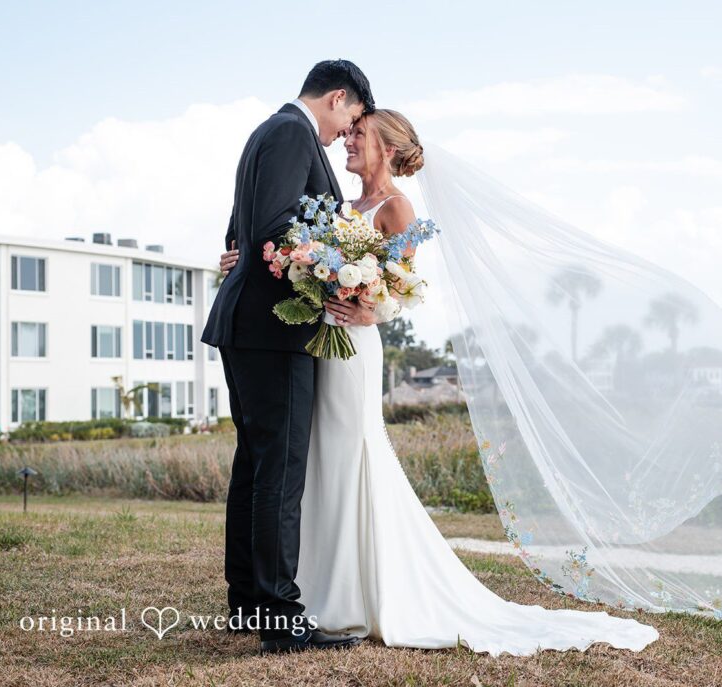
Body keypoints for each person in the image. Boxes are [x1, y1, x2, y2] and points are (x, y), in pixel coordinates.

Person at [216, 108, 661, 656]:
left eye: (360, 135)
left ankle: (361, 590)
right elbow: (291, 249)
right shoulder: (336, 205)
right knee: (316, 461)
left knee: (352, 452)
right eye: (350, 130)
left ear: (388, 149)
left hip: (353, 345)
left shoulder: (397, 208)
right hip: (314, 344)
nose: (349, 140)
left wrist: (369, 310)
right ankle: (312, 589)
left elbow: (404, 290)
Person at [200, 59, 374, 654]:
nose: (344, 134)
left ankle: (248, 602)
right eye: (350, 118)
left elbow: (241, 232)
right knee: (278, 470)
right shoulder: (293, 132)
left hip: (248, 323)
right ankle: (279, 615)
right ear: (337, 97)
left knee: (256, 464)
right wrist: (342, 262)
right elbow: (274, 226)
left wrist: (242, 253)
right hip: (273, 329)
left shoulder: (269, 133)